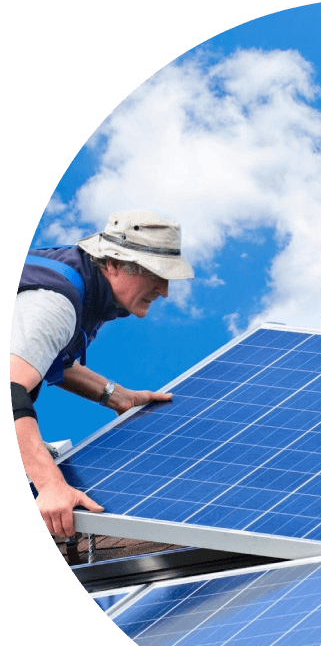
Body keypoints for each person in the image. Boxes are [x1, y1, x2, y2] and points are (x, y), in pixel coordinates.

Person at [12, 209, 195, 538]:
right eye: (155, 273)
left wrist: (116, 395)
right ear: (111, 263)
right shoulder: (54, 303)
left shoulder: (84, 287)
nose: (164, 290)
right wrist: (50, 485)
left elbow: (45, 357)